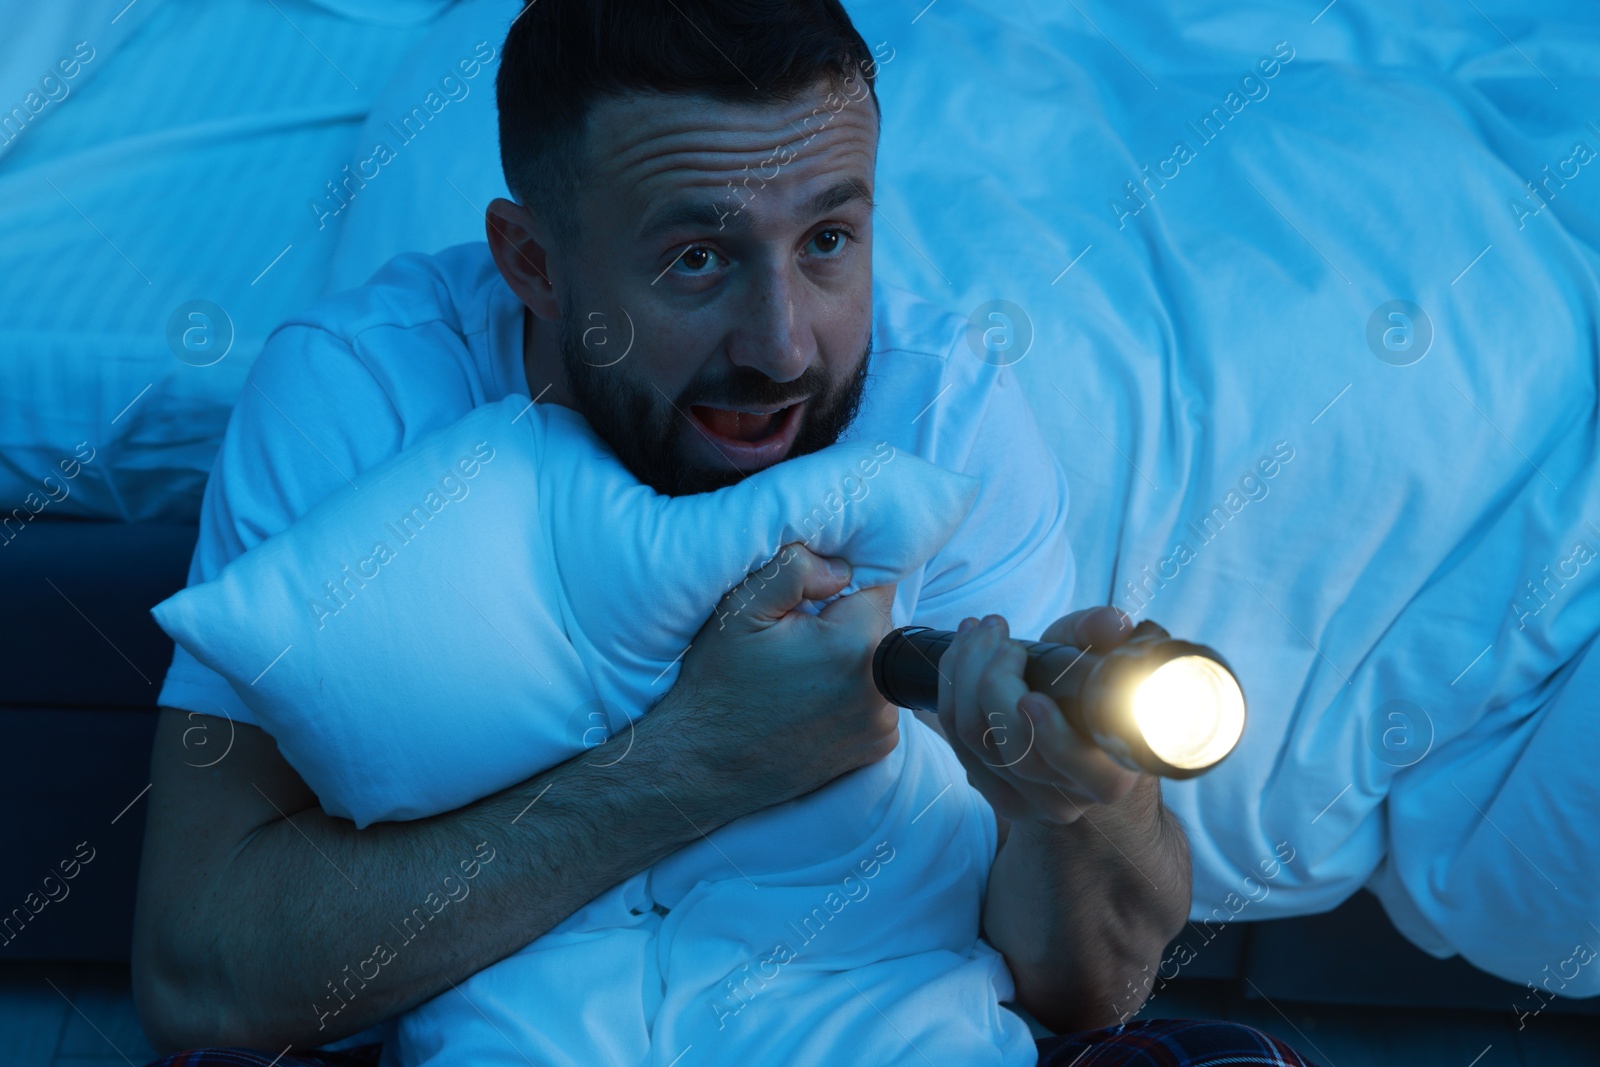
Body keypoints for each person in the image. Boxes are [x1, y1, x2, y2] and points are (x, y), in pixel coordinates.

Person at [132, 1, 1315, 1064]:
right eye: (696, 258)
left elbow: (1089, 992)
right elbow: (199, 975)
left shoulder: (945, 411)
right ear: (532, 263)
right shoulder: (361, 400)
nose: (784, 347)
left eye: (827, 241)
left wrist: (1072, 809)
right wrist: (693, 764)